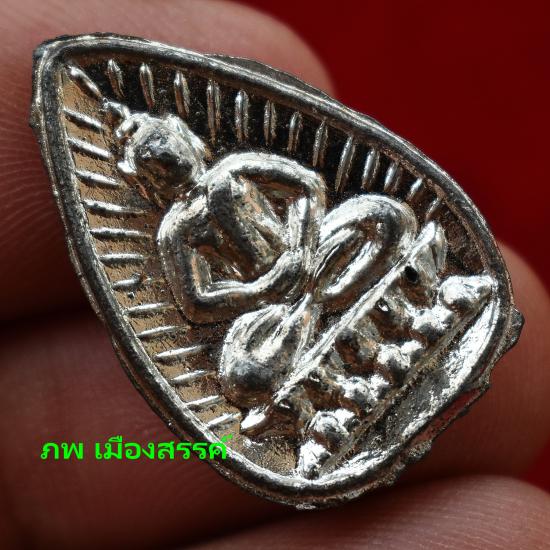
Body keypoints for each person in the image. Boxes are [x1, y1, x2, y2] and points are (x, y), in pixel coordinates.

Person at [1, 1, 550, 548]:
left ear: (188, 139)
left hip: (321, 254)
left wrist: (302, 247)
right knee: (243, 375)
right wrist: (261, 289)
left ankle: (426, 299)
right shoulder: (175, 230)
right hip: (276, 310)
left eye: (168, 148)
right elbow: (196, 303)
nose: (169, 162)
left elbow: (310, 186)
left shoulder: (235, 169)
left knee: (387, 215)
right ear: (146, 178)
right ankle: (324, 399)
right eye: (154, 162)